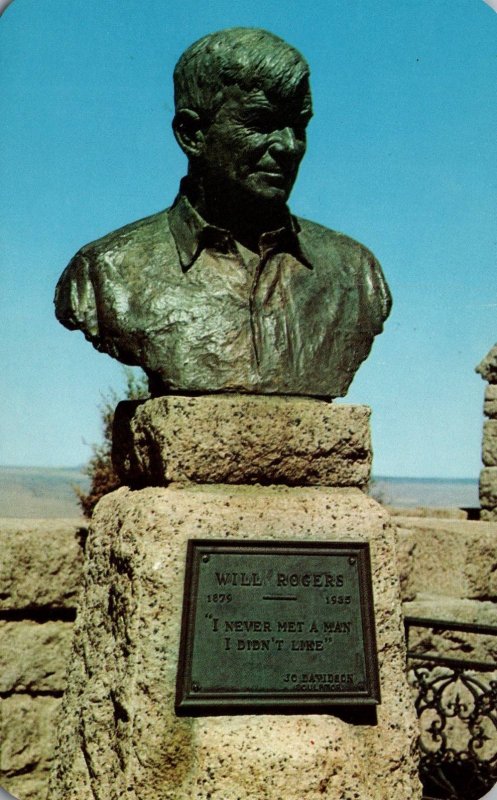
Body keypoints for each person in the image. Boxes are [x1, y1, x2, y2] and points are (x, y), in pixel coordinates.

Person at [55, 27, 391, 398]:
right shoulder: (106, 272)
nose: (289, 146)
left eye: (299, 126)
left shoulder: (355, 273)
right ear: (192, 134)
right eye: (260, 123)